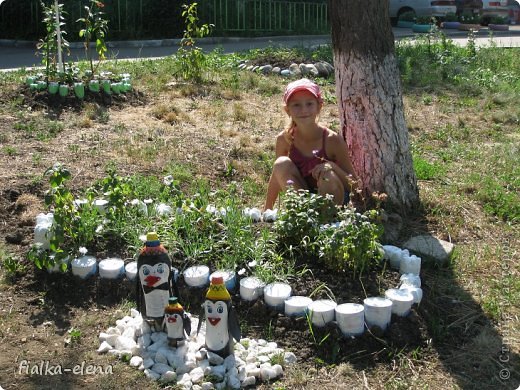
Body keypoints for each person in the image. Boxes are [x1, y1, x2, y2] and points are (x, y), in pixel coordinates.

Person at [264, 78, 358, 211]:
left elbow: (355, 185)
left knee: (327, 175)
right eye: (296, 105)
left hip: (335, 202)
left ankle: (328, 221)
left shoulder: (332, 140)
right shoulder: (284, 139)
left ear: (319, 106)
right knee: (280, 163)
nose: (304, 110)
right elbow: (278, 175)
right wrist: (267, 209)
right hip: (305, 202)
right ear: (287, 110)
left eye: (309, 104)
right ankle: (306, 216)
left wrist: (332, 166)